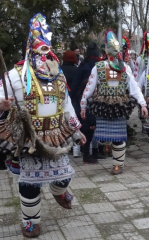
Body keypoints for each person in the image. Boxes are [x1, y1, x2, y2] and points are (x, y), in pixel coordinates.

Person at [0, 13, 86, 238]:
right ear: (30, 50)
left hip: (56, 135)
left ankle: (58, 191)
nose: (44, 54)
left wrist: (76, 130)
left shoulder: (58, 76)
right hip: (29, 138)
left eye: (47, 49)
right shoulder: (15, 76)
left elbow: (67, 105)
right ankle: (31, 222)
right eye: (39, 49)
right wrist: (2, 105)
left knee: (64, 175)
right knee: (29, 184)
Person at [80, 30, 148, 175]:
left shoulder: (125, 68)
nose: (116, 52)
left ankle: (118, 164)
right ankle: (106, 148)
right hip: (103, 107)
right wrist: (83, 105)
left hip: (119, 107)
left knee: (118, 137)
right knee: (103, 136)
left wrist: (142, 103)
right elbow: (89, 87)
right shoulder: (98, 68)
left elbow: (134, 87)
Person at [70, 41, 106, 160]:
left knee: (87, 126)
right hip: (99, 99)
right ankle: (95, 151)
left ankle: (86, 152)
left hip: (84, 99)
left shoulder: (83, 66)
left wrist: (73, 99)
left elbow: (75, 85)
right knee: (97, 126)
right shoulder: (100, 65)